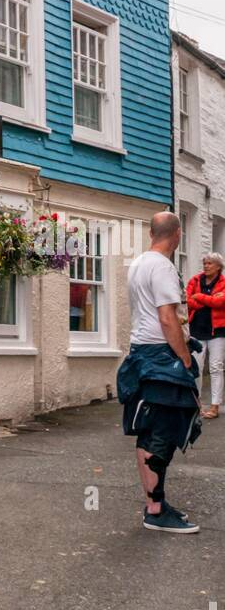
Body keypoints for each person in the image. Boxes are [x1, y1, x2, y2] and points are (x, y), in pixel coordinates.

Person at [118, 212, 203, 533]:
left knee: (150, 429)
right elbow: (167, 318)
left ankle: (156, 501)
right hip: (160, 357)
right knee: (161, 433)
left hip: (141, 354)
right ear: (178, 234)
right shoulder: (164, 267)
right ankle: (155, 511)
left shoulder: (140, 263)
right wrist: (183, 358)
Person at [186, 252, 225, 418]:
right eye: (205, 263)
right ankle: (196, 404)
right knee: (197, 368)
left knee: (216, 367)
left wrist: (200, 297)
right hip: (196, 330)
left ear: (218, 267)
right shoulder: (195, 280)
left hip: (217, 331)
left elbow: (220, 302)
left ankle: (215, 406)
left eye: (210, 263)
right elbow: (188, 299)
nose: (206, 266)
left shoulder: (223, 283)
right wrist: (208, 300)